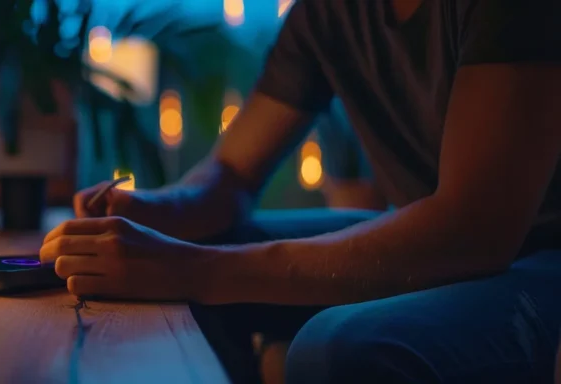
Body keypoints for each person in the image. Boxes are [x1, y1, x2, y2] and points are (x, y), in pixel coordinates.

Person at [39, 0, 561, 383]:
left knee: (336, 350)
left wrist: (194, 267)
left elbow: (473, 230)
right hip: (444, 232)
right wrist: (154, 211)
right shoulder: (326, 14)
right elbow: (231, 175)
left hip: (540, 255)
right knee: (190, 289)